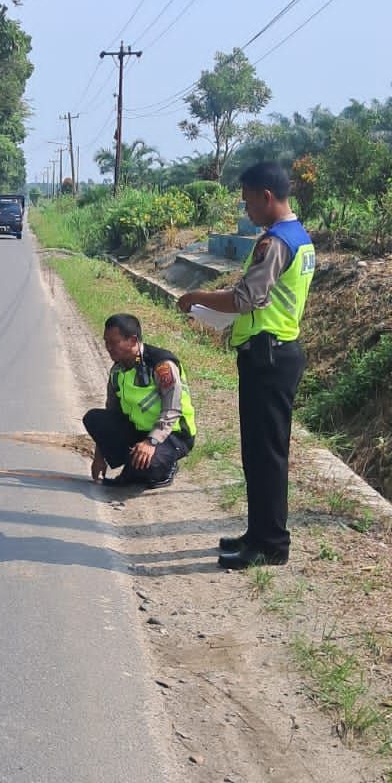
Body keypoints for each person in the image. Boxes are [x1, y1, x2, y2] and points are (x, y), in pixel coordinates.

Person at [177, 162, 316, 569]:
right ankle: (258, 534)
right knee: (258, 452)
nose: (246, 210)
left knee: (266, 454)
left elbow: (245, 299)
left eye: (248, 201)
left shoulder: (275, 243)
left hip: (268, 357)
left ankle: (271, 544)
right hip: (275, 352)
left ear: (266, 196)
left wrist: (196, 297)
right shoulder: (300, 237)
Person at [83, 314, 197, 490]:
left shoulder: (162, 365)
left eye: (114, 342)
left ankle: (166, 467)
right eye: (106, 342)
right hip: (138, 431)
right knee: (94, 418)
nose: (108, 348)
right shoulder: (117, 371)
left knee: (147, 467)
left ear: (133, 340)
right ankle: (134, 462)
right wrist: (99, 457)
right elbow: (112, 411)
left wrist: (151, 442)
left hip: (172, 435)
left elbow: (172, 409)